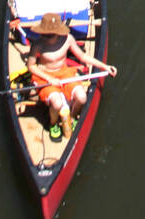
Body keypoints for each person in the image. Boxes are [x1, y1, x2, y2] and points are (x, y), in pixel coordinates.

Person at [14, 12, 117, 142]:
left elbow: (83, 57)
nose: (47, 36)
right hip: (46, 77)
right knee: (57, 103)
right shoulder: (38, 45)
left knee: (82, 97)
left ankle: (72, 117)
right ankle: (53, 124)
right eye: (45, 34)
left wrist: (105, 66)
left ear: (58, 32)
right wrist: (49, 79)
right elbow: (31, 66)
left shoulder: (68, 39)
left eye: (50, 34)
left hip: (65, 73)